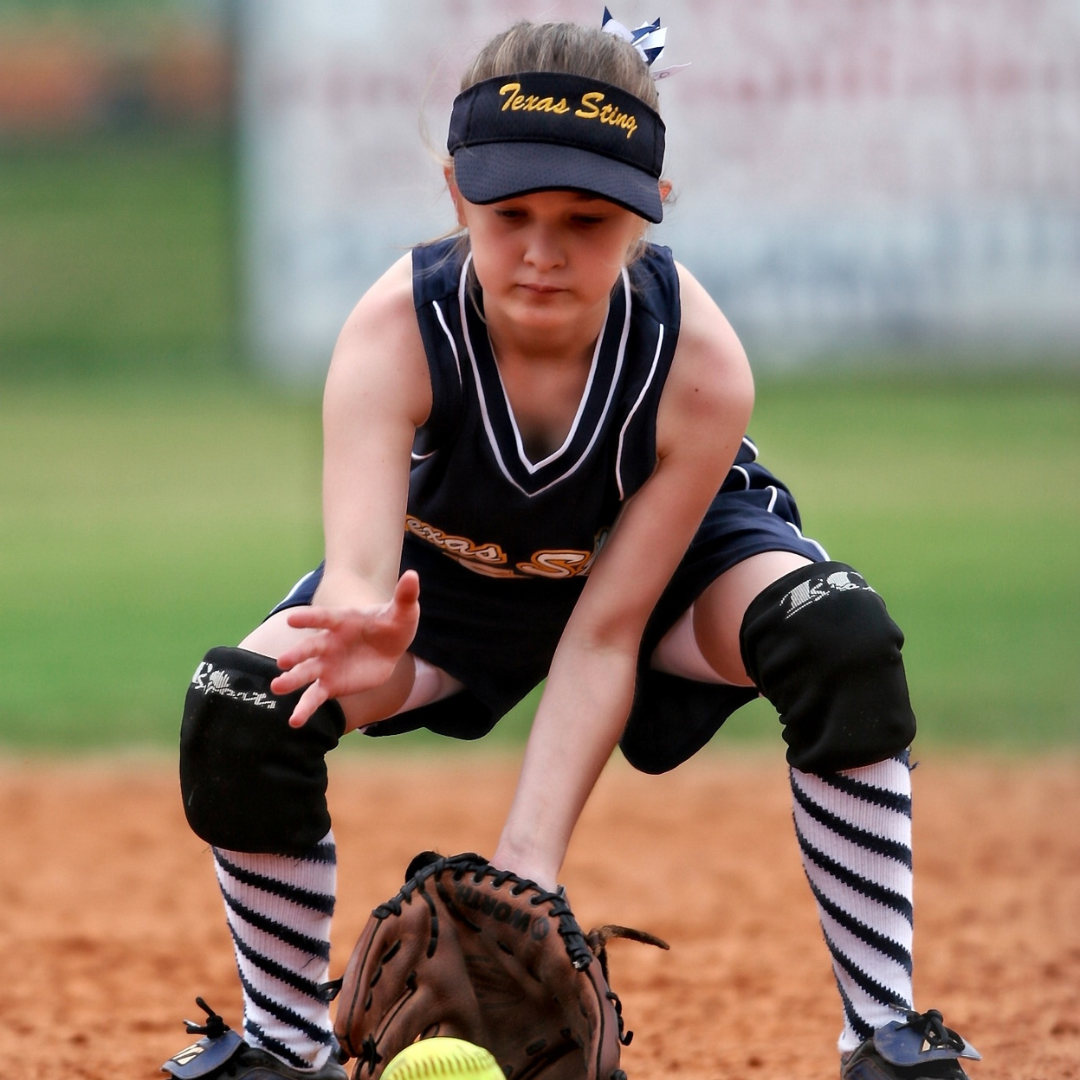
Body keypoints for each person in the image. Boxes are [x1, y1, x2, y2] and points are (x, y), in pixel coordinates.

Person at [166, 15, 980, 1080]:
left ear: (653, 212)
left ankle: (882, 1032)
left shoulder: (699, 363)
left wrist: (527, 871)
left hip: (663, 587)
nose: (544, 252)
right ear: (456, 191)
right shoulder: (394, 333)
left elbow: (605, 633)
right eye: (510, 215)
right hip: (444, 580)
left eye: (588, 220)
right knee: (240, 701)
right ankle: (283, 1047)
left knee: (836, 630)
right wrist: (370, 639)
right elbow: (365, 576)